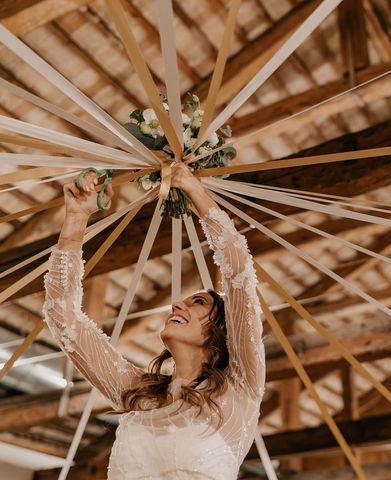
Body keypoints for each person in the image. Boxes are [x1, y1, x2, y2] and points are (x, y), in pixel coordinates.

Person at [43, 163, 265, 479]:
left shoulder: (239, 388)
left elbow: (239, 274)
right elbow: (61, 316)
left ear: (222, 329)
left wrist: (195, 190)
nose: (176, 303)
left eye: (198, 301)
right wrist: (77, 219)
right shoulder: (138, 394)